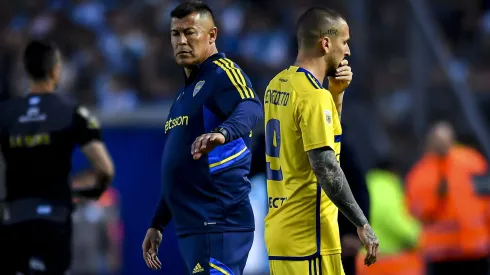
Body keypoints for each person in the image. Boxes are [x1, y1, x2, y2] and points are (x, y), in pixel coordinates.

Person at [141, 1, 263, 274]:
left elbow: (253, 107)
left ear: (212, 35)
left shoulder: (223, 72)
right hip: (194, 227)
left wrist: (222, 133)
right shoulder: (182, 96)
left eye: (190, 32)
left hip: (219, 222)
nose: (181, 41)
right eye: (175, 34)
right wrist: (158, 222)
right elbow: (179, 169)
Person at [263, 7, 379, 275]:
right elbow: (326, 166)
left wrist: (336, 95)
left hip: (281, 233)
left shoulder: (276, 85)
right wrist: (361, 223)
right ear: (325, 43)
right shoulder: (314, 97)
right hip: (310, 240)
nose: (348, 51)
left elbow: (324, 142)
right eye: (345, 42)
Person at [0, 40, 114, 275]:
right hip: (54, 218)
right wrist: (93, 190)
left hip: (14, 219)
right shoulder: (72, 110)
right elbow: (105, 168)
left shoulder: (6, 113)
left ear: (27, 70)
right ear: (55, 70)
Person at [406, 121, 490, 275]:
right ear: (429, 142)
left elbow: (486, 199)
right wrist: (436, 197)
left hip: (475, 247)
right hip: (442, 252)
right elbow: (416, 211)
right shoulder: (420, 173)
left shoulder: (472, 162)